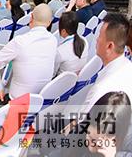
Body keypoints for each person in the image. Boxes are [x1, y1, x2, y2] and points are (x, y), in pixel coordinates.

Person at [80, 13, 132, 151]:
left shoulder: (102, 90)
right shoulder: (128, 66)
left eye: (99, 36)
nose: (97, 40)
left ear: (109, 46)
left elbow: (82, 128)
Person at [0, 4, 58, 101]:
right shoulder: (53, 40)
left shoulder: (20, 41)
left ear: (31, 17)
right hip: (41, 100)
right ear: (49, 22)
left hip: (16, 101)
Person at [54, 11, 88, 76]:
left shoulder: (60, 51)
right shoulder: (84, 41)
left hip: (62, 81)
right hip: (78, 78)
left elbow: (53, 73)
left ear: (63, 31)